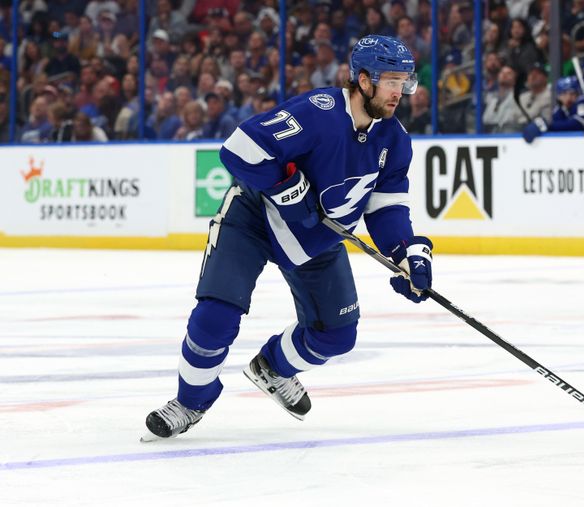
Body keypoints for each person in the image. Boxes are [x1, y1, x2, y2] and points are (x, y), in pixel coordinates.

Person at [143, 35, 434, 439]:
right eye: (390, 81)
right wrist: (284, 186)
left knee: (337, 335)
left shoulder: (395, 140)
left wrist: (406, 253)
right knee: (216, 315)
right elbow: (238, 149)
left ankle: (273, 368)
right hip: (254, 219)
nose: (399, 92)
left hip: (317, 238)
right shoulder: (318, 113)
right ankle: (190, 401)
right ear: (363, 80)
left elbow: (385, 209)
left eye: (404, 81)